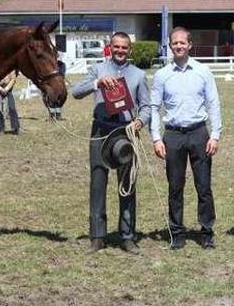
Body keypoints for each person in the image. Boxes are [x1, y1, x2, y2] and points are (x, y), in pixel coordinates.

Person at [72, 32, 151, 254]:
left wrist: (140, 121)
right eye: (116, 46)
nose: (120, 51)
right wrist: (97, 83)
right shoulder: (98, 69)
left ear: (130, 50)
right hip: (100, 131)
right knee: (98, 184)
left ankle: (127, 236)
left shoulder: (138, 75)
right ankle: (97, 236)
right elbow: (75, 92)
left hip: (126, 133)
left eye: (124, 47)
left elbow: (146, 106)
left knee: (127, 185)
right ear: (110, 47)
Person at [150, 27, 222, 250]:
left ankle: (207, 231)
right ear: (170, 46)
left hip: (199, 133)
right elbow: (154, 108)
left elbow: (213, 104)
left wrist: (216, 134)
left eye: (183, 43)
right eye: (175, 43)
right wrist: (156, 138)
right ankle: (177, 233)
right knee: (175, 186)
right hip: (172, 135)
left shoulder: (203, 71)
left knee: (204, 186)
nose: (179, 46)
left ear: (190, 45)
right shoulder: (162, 75)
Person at [0, 70, 20, 134]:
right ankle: (1, 128)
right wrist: (0, 89)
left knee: (12, 107)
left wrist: (6, 89)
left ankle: (15, 127)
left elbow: (13, 79)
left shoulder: (10, 67)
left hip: (8, 89)